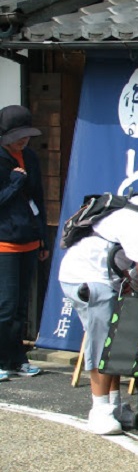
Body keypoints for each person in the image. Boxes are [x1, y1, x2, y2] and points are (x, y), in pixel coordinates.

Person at [59, 167, 138, 434]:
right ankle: (98, 410)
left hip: (107, 280)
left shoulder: (137, 207)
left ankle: (115, 405)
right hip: (89, 280)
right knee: (102, 345)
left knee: (118, 342)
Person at [0, 105, 49, 382]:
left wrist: (42, 237)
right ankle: (2, 359)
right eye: (18, 137)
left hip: (29, 241)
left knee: (20, 308)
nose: (24, 141)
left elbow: (38, 199)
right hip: (4, 243)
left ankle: (17, 359)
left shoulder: (30, 156)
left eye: (27, 136)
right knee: (5, 307)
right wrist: (15, 182)